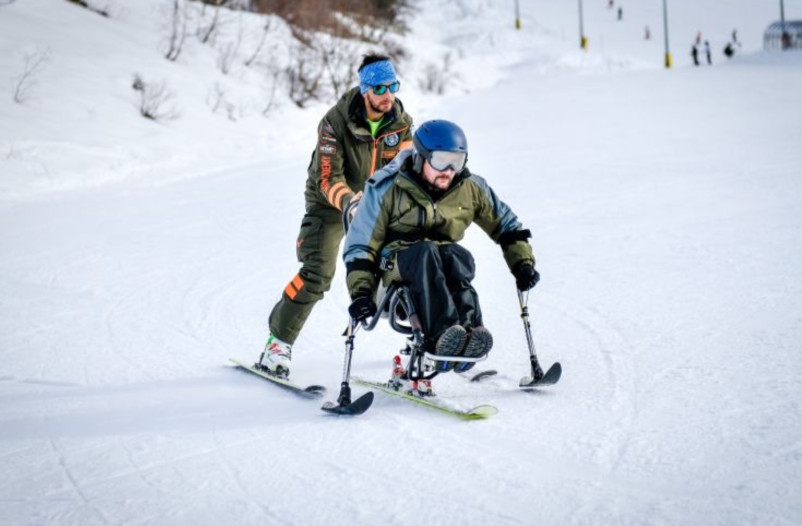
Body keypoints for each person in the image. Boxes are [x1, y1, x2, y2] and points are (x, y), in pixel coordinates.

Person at [258, 53, 414, 377]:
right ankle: (278, 343)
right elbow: (328, 177)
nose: (389, 96)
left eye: (394, 86)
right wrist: (350, 203)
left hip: (375, 203)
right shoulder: (335, 122)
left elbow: (406, 173)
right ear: (366, 89)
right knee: (318, 271)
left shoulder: (401, 123)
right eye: (381, 88)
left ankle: (417, 343)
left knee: (406, 264)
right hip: (329, 204)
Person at [342, 120, 539, 374]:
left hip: (439, 265)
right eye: (440, 160)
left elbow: (507, 225)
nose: (448, 170)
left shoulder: (470, 187)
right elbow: (360, 244)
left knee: (458, 256)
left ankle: (468, 336)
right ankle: (442, 336)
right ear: (420, 157)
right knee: (424, 252)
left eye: (456, 161)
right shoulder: (387, 187)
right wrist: (360, 292)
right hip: (391, 277)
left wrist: (522, 263)